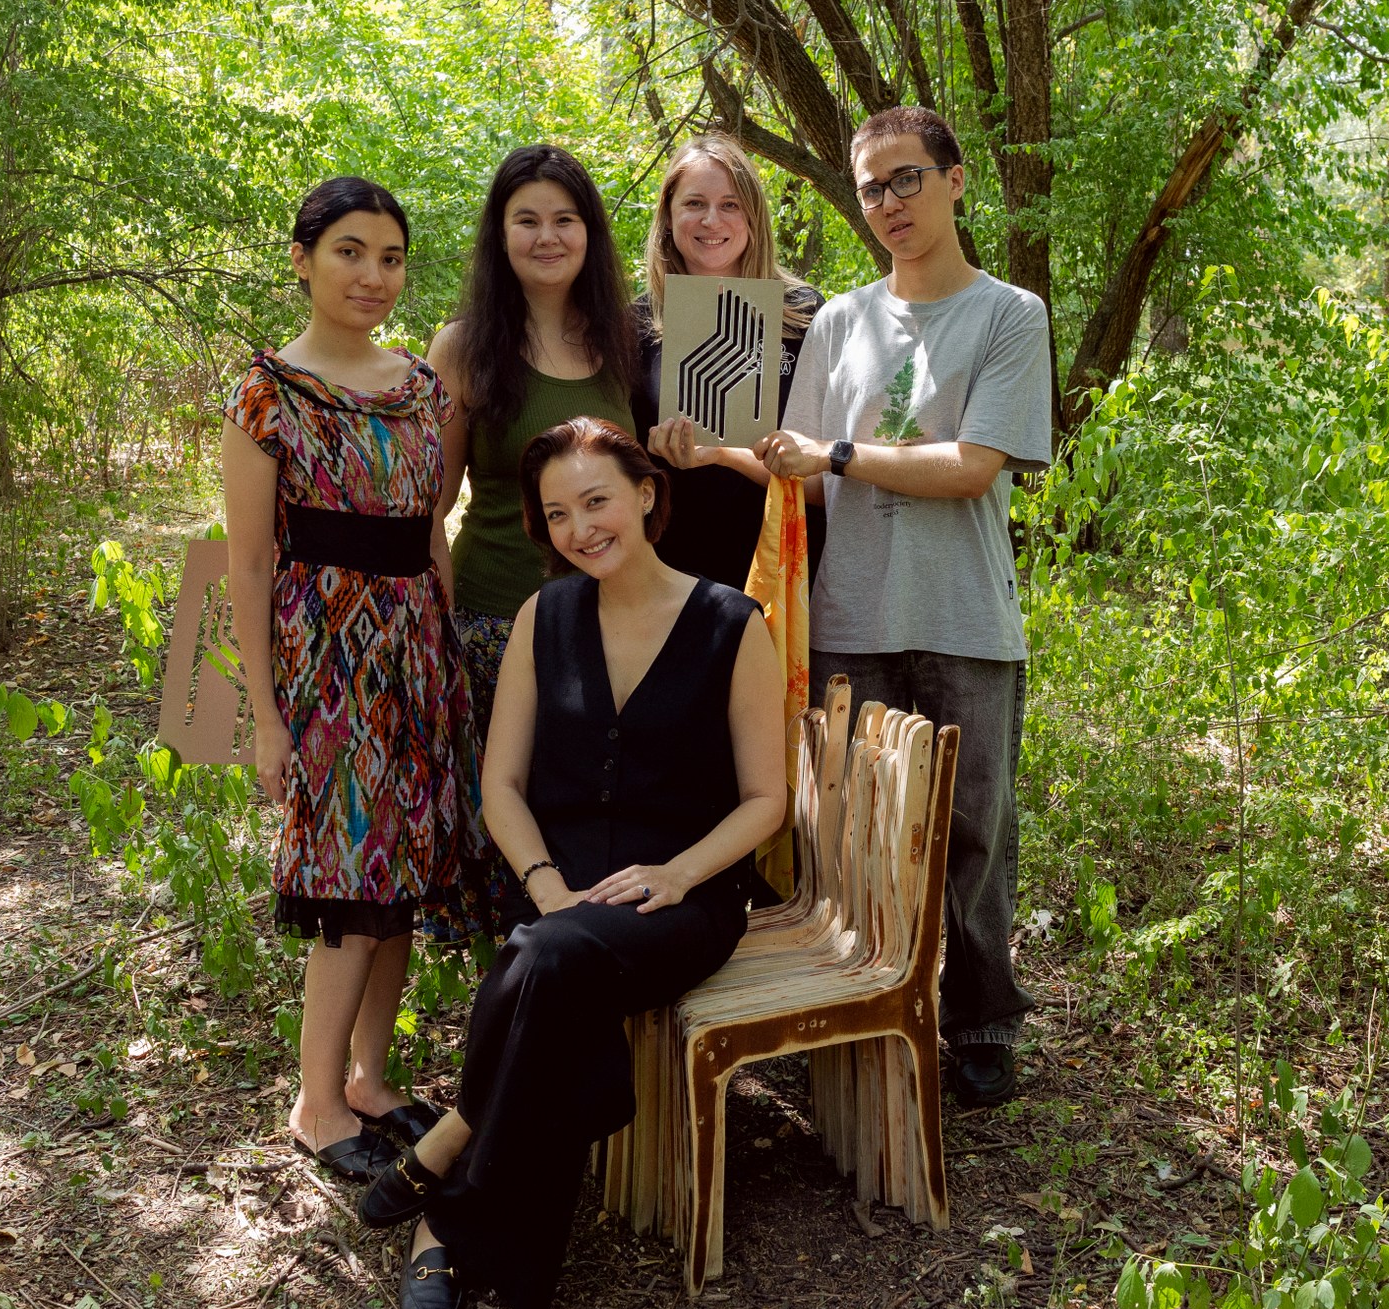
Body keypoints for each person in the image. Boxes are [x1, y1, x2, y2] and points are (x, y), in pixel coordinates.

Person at [356, 418, 785, 1309]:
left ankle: (450, 1170)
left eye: (597, 501)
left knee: (546, 959)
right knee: (553, 957)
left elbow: (766, 800)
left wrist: (680, 871)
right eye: (557, 513)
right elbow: (501, 787)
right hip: (560, 895)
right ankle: (459, 1198)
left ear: (646, 493)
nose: (580, 528)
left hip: (682, 899)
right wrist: (547, 885)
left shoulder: (731, 623)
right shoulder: (541, 619)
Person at [755, 106, 1054, 1110]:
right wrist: (696, 451)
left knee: (972, 832)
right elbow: (795, 473)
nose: (888, 202)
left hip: (965, 615)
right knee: (851, 832)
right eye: (871, 187)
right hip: (851, 616)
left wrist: (839, 453)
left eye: (906, 178)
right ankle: (860, 1010)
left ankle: (980, 1022)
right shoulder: (839, 321)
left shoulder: (1009, 315)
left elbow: (971, 466)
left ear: (955, 179)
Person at [223, 177, 475, 1182]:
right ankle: (316, 1101)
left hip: (415, 655)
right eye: (350, 252)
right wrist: (265, 716)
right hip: (325, 664)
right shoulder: (267, 393)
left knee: (399, 875)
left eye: (391, 257)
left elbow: (429, 530)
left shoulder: (420, 387)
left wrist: (444, 657)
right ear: (303, 259)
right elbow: (246, 566)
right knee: (348, 878)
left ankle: (369, 1077)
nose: (373, 275)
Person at [429, 145, 656, 933]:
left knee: (591, 831)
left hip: (605, 633)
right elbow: (431, 507)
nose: (548, 236)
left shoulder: (622, 341)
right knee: (507, 836)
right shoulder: (461, 348)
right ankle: (512, 988)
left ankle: (585, 975)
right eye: (527, 220)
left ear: (590, 232)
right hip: (493, 625)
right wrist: (439, 627)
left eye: (565, 219)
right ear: (500, 234)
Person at [634, 133, 828, 588]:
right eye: (694, 203)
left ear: (753, 217)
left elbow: (828, 471)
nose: (711, 220)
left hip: (784, 568)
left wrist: (724, 454)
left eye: (730, 204)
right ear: (668, 218)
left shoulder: (806, 313)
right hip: (673, 572)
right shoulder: (633, 324)